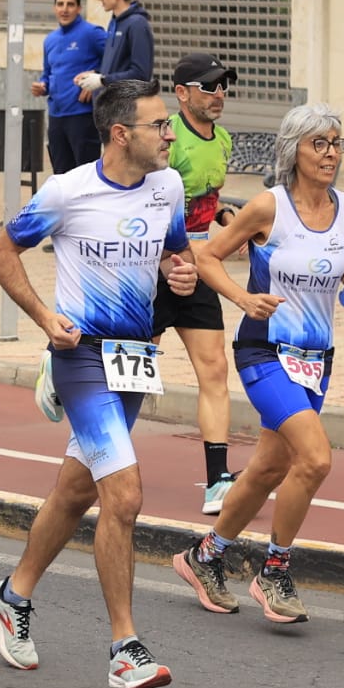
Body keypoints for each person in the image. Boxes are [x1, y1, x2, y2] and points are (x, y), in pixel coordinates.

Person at [0, 78, 193, 688]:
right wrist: (46, 319)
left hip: (133, 362)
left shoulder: (167, 186)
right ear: (122, 133)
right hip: (81, 363)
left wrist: (178, 277)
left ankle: (10, 595)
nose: (170, 134)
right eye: (160, 125)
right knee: (123, 497)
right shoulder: (67, 192)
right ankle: (125, 649)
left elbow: (174, 255)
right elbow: (0, 253)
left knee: (76, 493)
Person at [173, 104, 344, 624]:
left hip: (317, 357)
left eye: (337, 142)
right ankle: (275, 569)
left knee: (270, 466)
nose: (331, 153)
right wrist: (243, 299)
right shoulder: (269, 207)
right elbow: (206, 256)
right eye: (320, 143)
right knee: (314, 459)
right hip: (264, 350)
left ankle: (205, 558)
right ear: (294, 150)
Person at [155, 53, 240, 513]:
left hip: (199, 266)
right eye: (208, 87)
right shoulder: (165, 137)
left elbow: (210, 199)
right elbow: (144, 203)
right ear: (183, 94)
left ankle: (217, 481)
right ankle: (62, 361)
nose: (219, 93)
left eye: (223, 85)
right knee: (129, 374)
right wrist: (168, 260)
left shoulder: (223, 139)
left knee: (214, 370)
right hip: (152, 270)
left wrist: (229, 218)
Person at [32, 0, 106, 173]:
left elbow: (116, 60)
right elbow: (48, 73)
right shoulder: (50, 40)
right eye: (60, 4)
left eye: (70, 4)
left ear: (79, 8)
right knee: (61, 175)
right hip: (56, 117)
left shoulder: (92, 33)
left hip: (82, 116)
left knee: (85, 175)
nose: (64, 9)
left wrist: (95, 78)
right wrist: (43, 86)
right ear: (54, 8)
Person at [74, 0, 154, 95]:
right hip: (109, 107)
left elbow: (141, 74)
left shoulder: (137, 24)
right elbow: (117, 66)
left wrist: (103, 80)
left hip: (125, 108)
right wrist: (95, 74)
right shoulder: (114, 23)